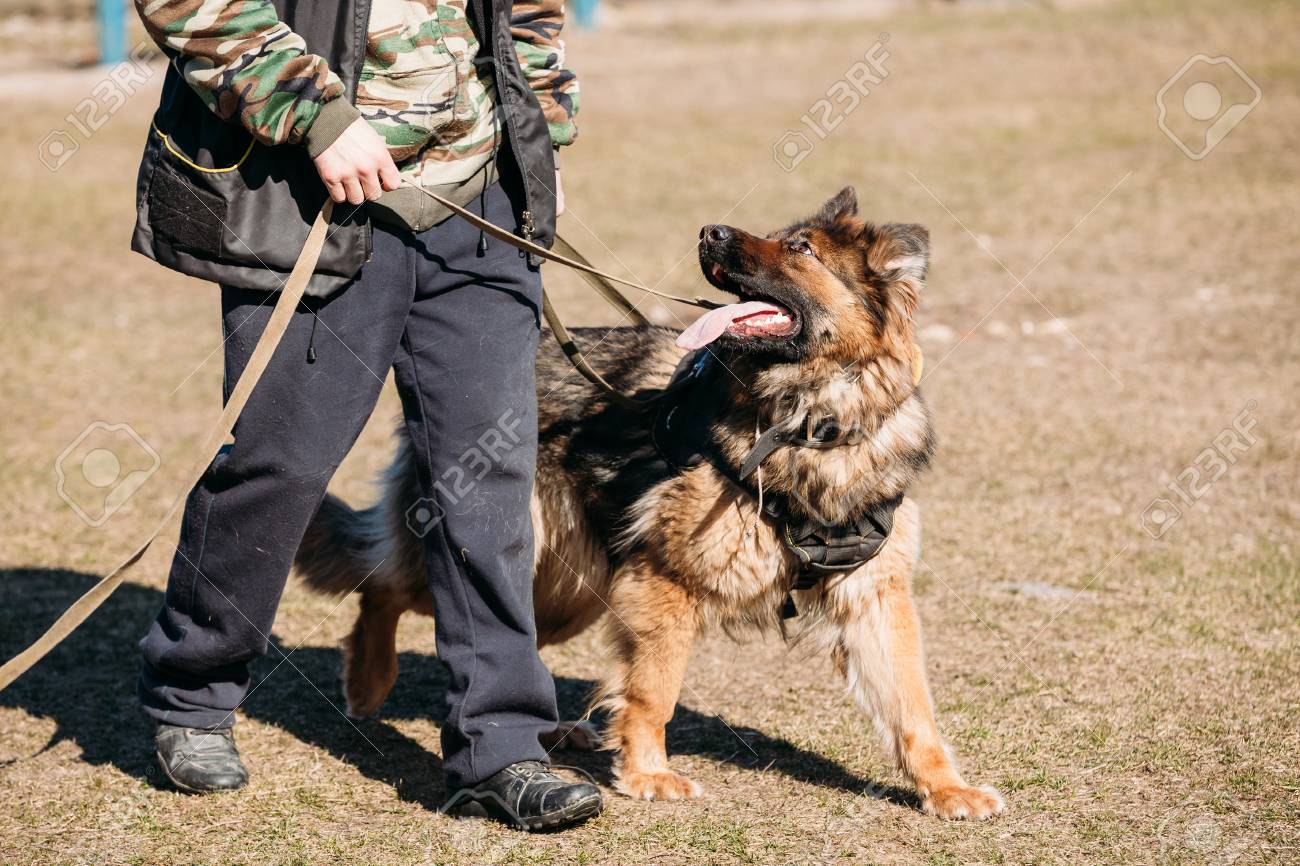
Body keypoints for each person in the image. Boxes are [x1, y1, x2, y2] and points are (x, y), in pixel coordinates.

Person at [129, 0, 602, 831]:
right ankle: (192, 692)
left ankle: (504, 744)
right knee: (281, 465)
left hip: (479, 204)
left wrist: (541, 132)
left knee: (490, 479)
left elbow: (529, 12)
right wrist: (315, 114)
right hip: (311, 193)